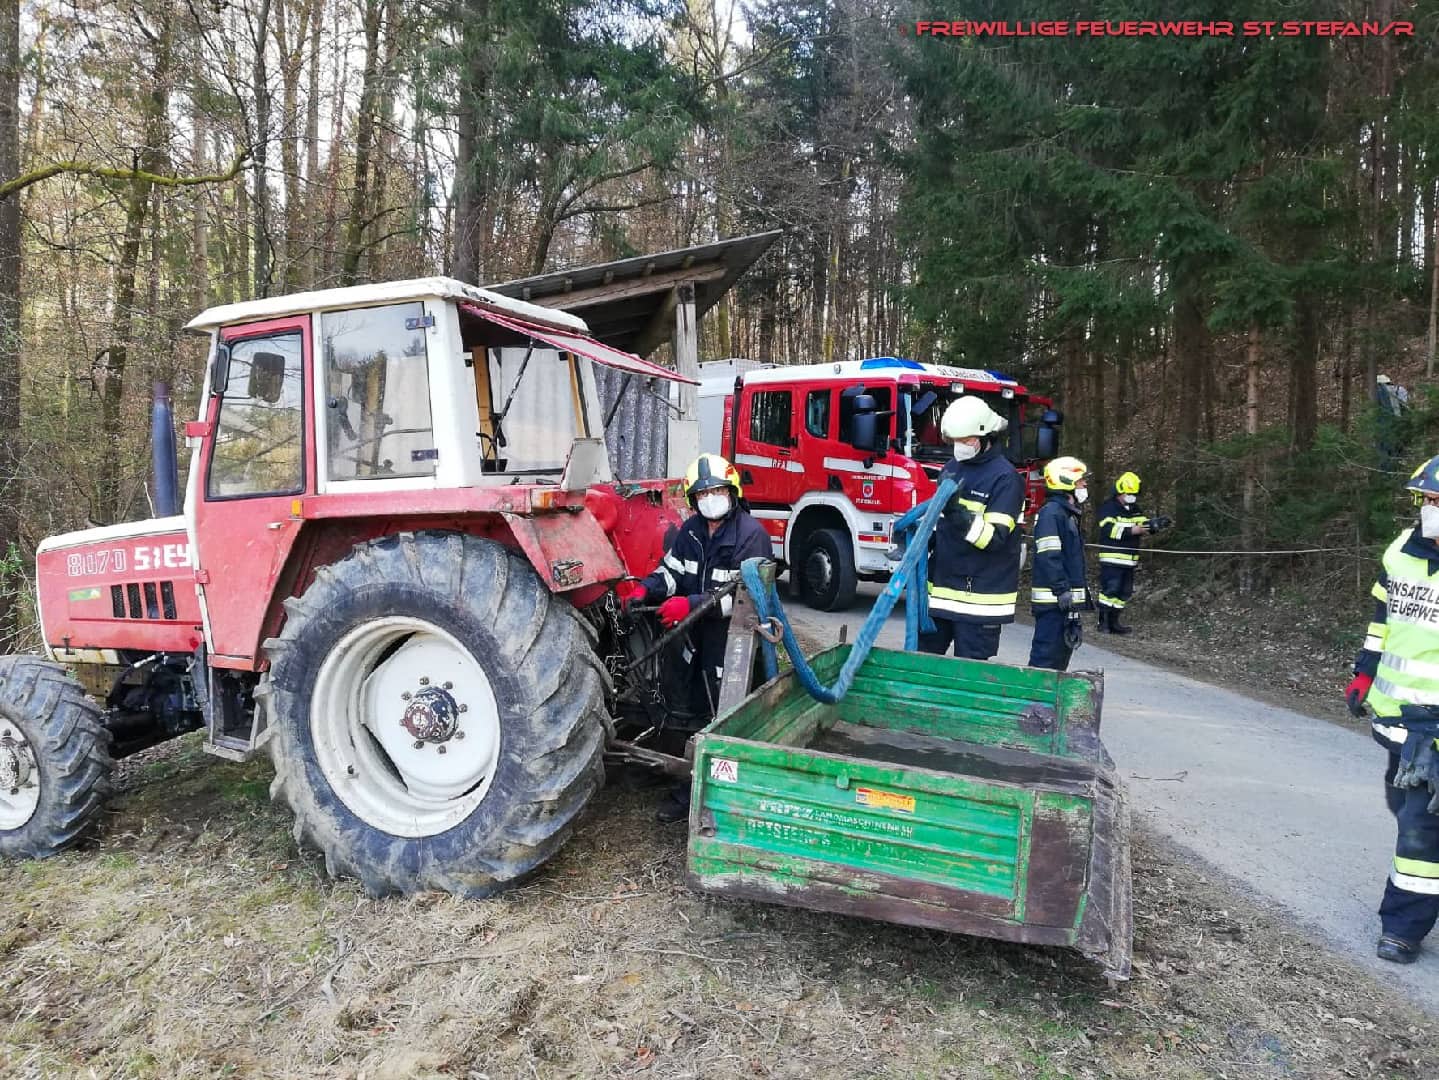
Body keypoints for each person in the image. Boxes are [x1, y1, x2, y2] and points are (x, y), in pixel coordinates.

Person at [614, 453, 771, 822]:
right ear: (693, 500)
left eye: (717, 490)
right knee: (691, 711)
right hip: (693, 639)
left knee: (726, 716)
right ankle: (687, 787)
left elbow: (747, 596)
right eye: (702, 494)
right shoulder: (691, 532)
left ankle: (720, 798)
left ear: (732, 493)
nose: (710, 498)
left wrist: (691, 604)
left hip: (733, 641)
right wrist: (646, 591)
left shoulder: (752, 536)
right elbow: (671, 572)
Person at [1345, 454, 1439, 964]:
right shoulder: (1402, 550)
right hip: (1398, 718)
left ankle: (1402, 928)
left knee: (1421, 831)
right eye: (1427, 499)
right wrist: (1365, 670)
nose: (1432, 509)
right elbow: (1383, 618)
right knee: (1401, 808)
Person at [919, 395, 1024, 661]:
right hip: (940, 595)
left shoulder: (1006, 479)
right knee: (924, 671)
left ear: (987, 438)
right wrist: (917, 543)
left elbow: (993, 538)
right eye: (955, 441)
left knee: (968, 682)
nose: (960, 447)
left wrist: (957, 511)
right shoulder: (953, 468)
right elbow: (939, 524)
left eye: (966, 441)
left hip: (980, 603)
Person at [1028, 457, 1091, 671]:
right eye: (1081, 481)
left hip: (1062, 604)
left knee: (1057, 665)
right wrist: (1062, 589)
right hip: (1053, 603)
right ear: (1066, 482)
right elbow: (1049, 555)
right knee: (1044, 662)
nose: (1084, 485)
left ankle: (1045, 704)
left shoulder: (1065, 514)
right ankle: (1032, 702)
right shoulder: (1052, 514)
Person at [1093, 471, 1170, 635]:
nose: (1131, 497)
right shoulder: (1108, 508)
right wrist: (1132, 530)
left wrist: (1155, 524)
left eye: (1134, 494)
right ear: (1120, 492)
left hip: (1129, 559)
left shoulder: (1134, 509)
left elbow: (1143, 524)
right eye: (1129, 494)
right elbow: (1108, 529)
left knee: (1123, 592)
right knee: (1110, 591)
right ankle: (1103, 622)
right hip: (1112, 558)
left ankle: (1115, 622)